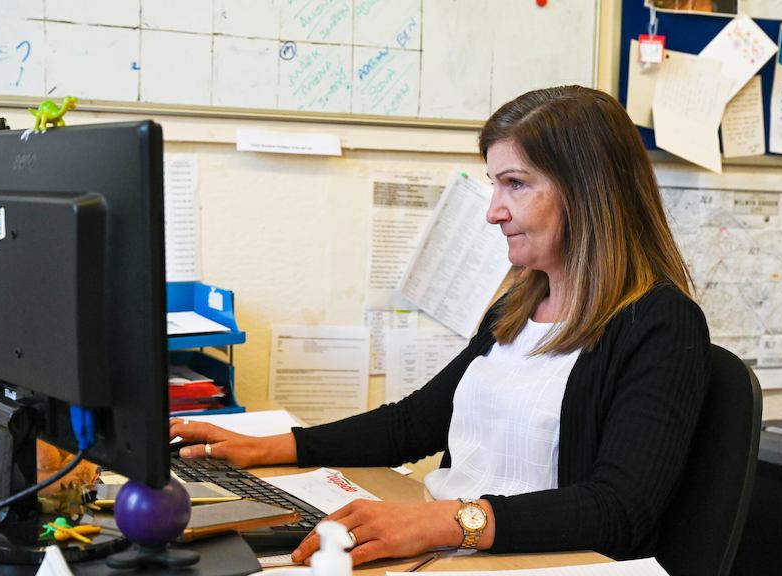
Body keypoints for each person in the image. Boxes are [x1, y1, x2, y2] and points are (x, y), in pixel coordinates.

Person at [170, 85, 710, 566]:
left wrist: (446, 521)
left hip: (534, 560)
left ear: (589, 193)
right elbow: (415, 423)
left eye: (515, 184)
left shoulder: (660, 323)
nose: (493, 211)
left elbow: (618, 508)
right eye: (495, 185)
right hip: (456, 547)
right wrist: (263, 446)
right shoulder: (518, 305)